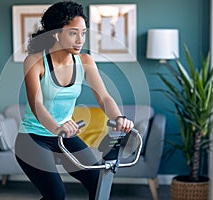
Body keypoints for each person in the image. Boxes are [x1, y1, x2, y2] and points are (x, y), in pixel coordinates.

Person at [15, 1, 134, 200]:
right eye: (73, 33)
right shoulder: (35, 61)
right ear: (56, 33)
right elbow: (37, 104)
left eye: (83, 33)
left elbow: (104, 97)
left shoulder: (85, 61)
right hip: (33, 137)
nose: (80, 40)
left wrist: (119, 118)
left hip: (64, 135)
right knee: (55, 194)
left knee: (99, 183)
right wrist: (56, 128)